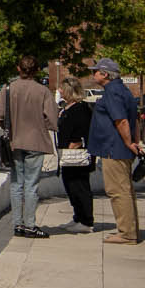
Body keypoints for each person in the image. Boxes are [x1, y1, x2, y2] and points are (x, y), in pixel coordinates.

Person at [0, 55, 57, 238]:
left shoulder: (8, 89)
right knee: (31, 185)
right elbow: (52, 119)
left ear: (18, 69)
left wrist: (8, 127)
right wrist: (41, 125)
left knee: (16, 184)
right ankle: (30, 224)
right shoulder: (43, 91)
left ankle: (18, 224)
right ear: (37, 70)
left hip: (14, 141)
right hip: (36, 141)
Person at [88, 57, 145, 245]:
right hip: (120, 147)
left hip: (114, 148)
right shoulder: (123, 90)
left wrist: (129, 143)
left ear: (105, 74)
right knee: (126, 190)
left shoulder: (112, 92)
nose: (93, 74)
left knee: (118, 191)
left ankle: (127, 234)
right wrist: (135, 142)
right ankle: (130, 230)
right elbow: (134, 118)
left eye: (95, 71)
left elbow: (121, 120)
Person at [55, 79, 97, 233]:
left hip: (77, 155)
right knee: (71, 186)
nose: (59, 91)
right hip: (68, 154)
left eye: (61, 88)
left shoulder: (81, 109)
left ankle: (86, 221)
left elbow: (83, 131)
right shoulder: (68, 107)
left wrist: (76, 142)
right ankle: (78, 217)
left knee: (80, 187)